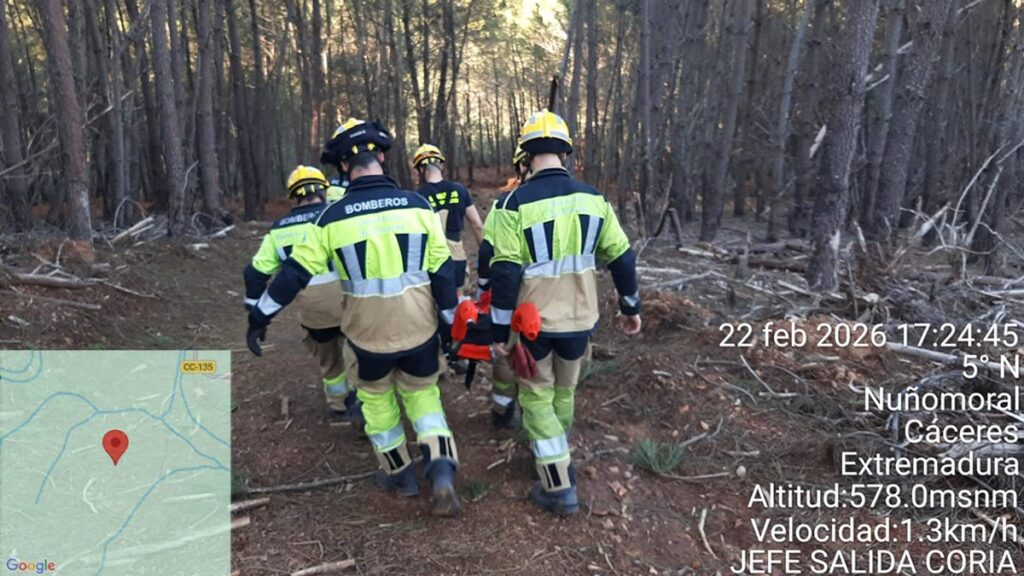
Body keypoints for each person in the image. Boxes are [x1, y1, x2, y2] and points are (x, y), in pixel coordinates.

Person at [247, 118, 463, 517]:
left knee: (377, 402)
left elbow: (293, 274)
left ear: (343, 168)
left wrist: (259, 315)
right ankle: (441, 466)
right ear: (381, 157)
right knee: (424, 396)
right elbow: (442, 271)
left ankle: (400, 475)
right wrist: (450, 323)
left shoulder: (329, 220)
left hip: (366, 339)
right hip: (419, 330)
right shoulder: (418, 206)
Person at [489, 111, 642, 516]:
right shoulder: (593, 199)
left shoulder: (511, 204)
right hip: (580, 319)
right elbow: (622, 258)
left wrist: (500, 331)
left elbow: (503, 271)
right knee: (564, 390)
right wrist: (630, 306)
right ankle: (553, 447)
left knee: (536, 394)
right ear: (565, 151)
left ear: (524, 155)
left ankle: (557, 483)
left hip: (533, 323)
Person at [243, 165, 361, 423]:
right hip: (350, 303)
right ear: (324, 190)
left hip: (314, 312)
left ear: (293, 196)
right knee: (359, 352)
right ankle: (361, 400)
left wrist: (255, 314)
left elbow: (254, 273)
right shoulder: (337, 216)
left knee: (330, 362)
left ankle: (338, 406)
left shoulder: (278, 230)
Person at [474, 146, 531, 429]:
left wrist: (484, 287)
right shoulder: (581, 201)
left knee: (506, 353)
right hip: (563, 305)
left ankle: (503, 409)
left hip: (514, 296)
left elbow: (487, 253)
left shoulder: (506, 204)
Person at [412, 144, 484, 294]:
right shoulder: (459, 190)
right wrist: (485, 256)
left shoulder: (418, 197)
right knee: (459, 308)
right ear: (441, 165)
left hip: (431, 263)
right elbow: (477, 225)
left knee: (435, 308)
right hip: (457, 258)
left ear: (420, 169)